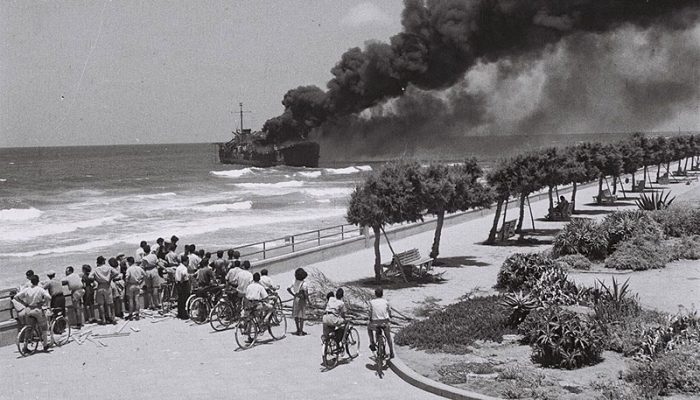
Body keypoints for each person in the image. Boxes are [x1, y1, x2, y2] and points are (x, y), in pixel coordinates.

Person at [14, 275, 52, 351]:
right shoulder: (40, 289)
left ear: (31, 282)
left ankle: (25, 347)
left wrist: (24, 303)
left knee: (29, 328)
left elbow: (16, 297)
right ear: (38, 281)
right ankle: (45, 345)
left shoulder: (27, 289)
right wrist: (43, 302)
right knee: (44, 327)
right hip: (37, 309)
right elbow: (49, 297)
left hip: (28, 309)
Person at [90, 256, 121, 325]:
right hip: (107, 285)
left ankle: (103, 319)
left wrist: (96, 279)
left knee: (101, 304)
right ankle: (113, 318)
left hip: (100, 286)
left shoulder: (96, 269)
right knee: (110, 303)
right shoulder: (108, 268)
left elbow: (90, 277)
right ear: (104, 261)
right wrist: (110, 278)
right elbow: (116, 273)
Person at [367, 287, 394, 359]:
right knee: (388, 337)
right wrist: (390, 316)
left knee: (369, 328)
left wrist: (370, 319)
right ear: (382, 294)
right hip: (385, 322)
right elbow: (389, 311)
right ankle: (391, 352)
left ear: (375, 294)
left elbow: (369, 312)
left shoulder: (371, 302)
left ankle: (372, 342)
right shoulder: (386, 302)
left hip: (375, 323)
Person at [287, 267, 309, 336]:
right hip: (301, 299)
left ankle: (297, 329)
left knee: (296, 315)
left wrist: (293, 294)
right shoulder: (304, 284)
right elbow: (306, 294)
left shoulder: (294, 281)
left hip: (296, 298)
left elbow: (288, 288)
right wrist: (308, 300)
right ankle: (301, 331)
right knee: (302, 315)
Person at [142, 245, 161, 310]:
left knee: (149, 289)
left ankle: (150, 304)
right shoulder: (154, 256)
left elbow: (143, 267)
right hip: (154, 270)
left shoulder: (144, 258)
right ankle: (156, 304)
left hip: (147, 271)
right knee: (155, 288)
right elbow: (158, 263)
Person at [174, 255, 190, 320]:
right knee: (184, 299)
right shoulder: (184, 268)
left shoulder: (178, 267)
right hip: (183, 284)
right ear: (185, 262)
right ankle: (184, 315)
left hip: (178, 283)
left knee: (180, 299)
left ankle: (179, 313)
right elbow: (184, 275)